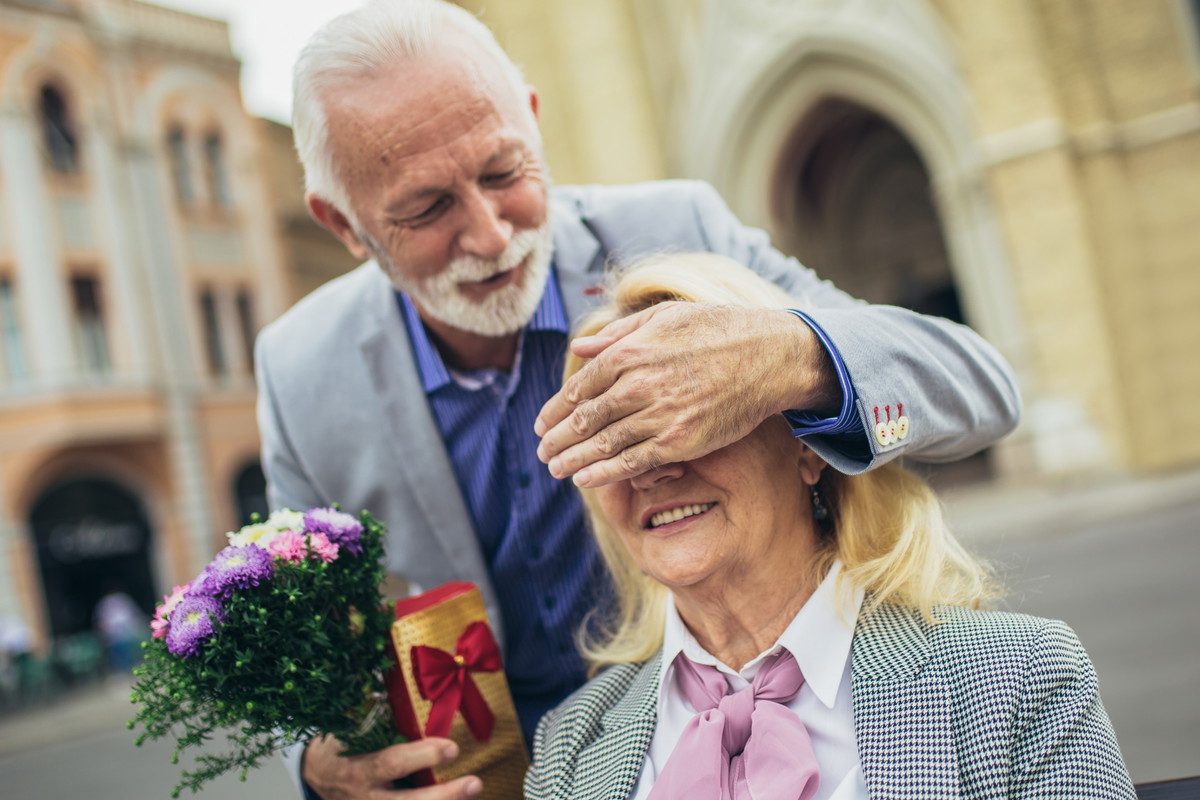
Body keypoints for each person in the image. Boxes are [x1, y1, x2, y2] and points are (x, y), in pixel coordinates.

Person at [257, 0, 1020, 796]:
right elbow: (297, 630)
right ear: (342, 225)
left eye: (504, 172)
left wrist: (793, 355)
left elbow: (980, 388)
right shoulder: (297, 368)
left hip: (737, 738)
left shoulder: (678, 227)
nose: (489, 234)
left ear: (533, 118)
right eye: (427, 209)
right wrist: (315, 759)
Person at [525, 253, 1133, 800]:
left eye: (688, 418)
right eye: (611, 433)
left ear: (808, 447)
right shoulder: (567, 750)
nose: (653, 470)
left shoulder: (1019, 680)